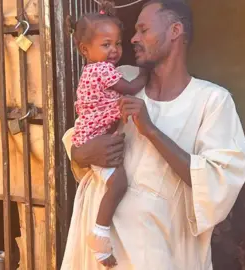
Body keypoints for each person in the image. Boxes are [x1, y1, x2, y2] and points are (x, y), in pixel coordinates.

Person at [61, 0, 245, 269]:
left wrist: (150, 130)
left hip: (156, 254)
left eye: (143, 30)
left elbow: (217, 180)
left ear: (175, 31)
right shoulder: (120, 80)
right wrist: (82, 153)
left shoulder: (212, 101)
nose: (133, 39)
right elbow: (80, 140)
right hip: (95, 254)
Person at [66, 1, 148, 267]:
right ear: (85, 49)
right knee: (118, 183)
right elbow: (132, 87)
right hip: (93, 140)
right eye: (106, 44)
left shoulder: (92, 71)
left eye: (118, 43)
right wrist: (147, 72)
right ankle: (100, 233)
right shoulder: (102, 70)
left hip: (88, 136)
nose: (114, 50)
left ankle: (100, 235)